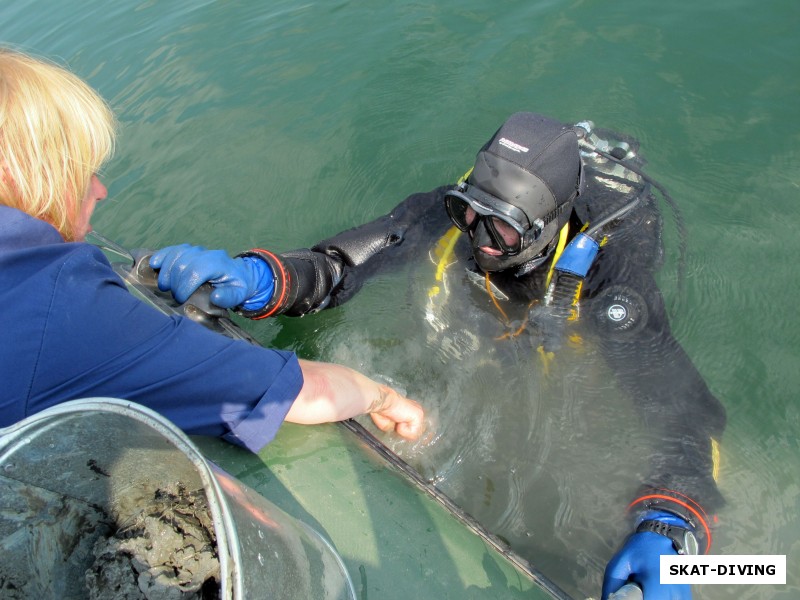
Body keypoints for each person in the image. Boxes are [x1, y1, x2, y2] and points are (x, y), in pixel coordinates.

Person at [151, 112, 726, 600]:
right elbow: (342, 265)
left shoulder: (612, 279)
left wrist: (670, 526)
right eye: (466, 212)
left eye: (500, 229)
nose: (476, 238)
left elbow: (684, 414)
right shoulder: (462, 214)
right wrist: (258, 279)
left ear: (547, 225)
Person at [0, 47, 425, 454]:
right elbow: (304, 391)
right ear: (21, 177)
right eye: (82, 172)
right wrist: (386, 400)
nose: (100, 189)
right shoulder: (66, 311)